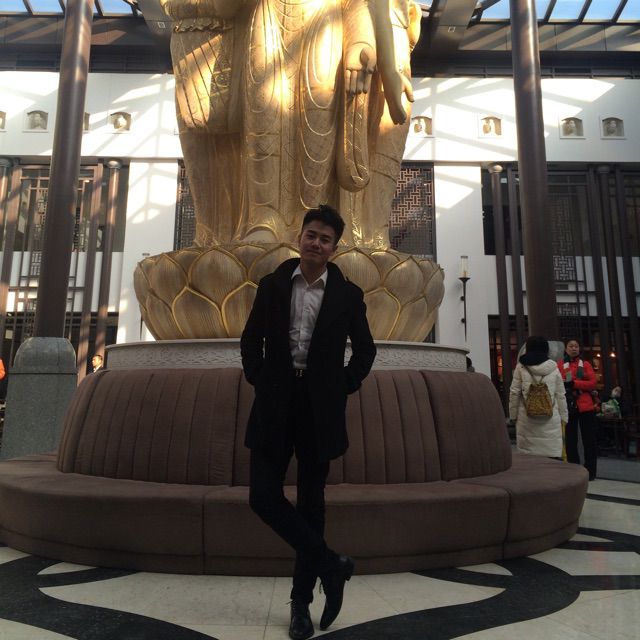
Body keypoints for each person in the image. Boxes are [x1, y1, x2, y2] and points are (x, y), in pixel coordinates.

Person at [240, 205, 376, 640]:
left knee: (311, 506)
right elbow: (250, 340)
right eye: (311, 235)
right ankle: (331, 564)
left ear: (335, 247)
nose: (316, 243)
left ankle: (301, 604)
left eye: (325, 239)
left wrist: (342, 385)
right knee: (262, 496)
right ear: (299, 237)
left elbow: (366, 350)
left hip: (320, 408)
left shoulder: (348, 295)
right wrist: (260, 379)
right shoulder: (273, 285)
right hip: (276, 402)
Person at [509, 336, 568, 459]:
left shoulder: (521, 367)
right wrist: (564, 417)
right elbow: (560, 395)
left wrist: (513, 416)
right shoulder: (553, 367)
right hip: (550, 419)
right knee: (550, 460)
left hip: (526, 419)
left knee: (530, 460)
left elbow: (514, 392)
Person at [558, 339, 598, 480]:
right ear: (566, 349)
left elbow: (592, 383)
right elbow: (558, 382)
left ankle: (591, 471)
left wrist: (574, 383)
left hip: (586, 406)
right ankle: (574, 469)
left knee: (589, 440)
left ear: (579, 349)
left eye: (576, 346)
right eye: (571, 346)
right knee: (570, 440)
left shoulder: (585, 364)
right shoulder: (560, 365)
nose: (574, 348)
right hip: (569, 405)